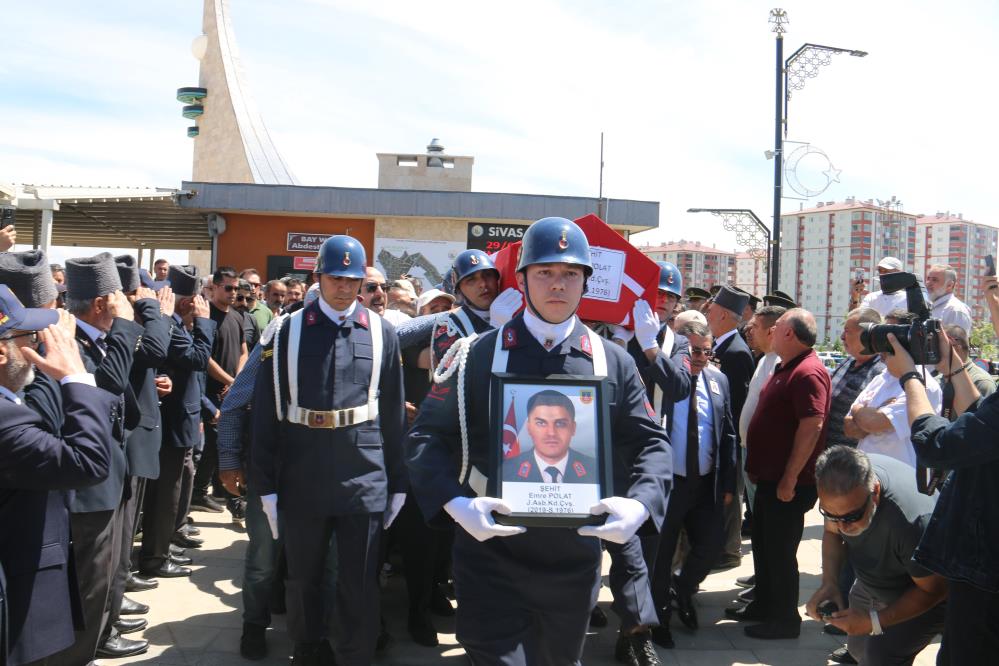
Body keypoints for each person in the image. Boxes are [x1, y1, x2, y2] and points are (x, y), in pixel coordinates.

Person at [405, 216, 671, 666]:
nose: (558, 284)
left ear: (586, 281)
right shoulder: (476, 355)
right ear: (522, 278)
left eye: (571, 273)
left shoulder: (613, 362)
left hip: (572, 558)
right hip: (490, 552)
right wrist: (456, 504)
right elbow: (426, 436)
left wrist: (641, 505)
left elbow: (652, 444)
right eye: (545, 271)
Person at [251, 235, 406, 665]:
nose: (344, 286)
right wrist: (265, 484)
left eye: (352, 280)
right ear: (318, 277)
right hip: (304, 468)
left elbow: (393, 413)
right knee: (304, 576)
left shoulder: (382, 332)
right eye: (335, 277)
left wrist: (398, 481)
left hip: (364, 470)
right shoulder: (287, 331)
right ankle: (308, 647)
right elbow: (266, 411)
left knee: (360, 579)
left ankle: (356, 653)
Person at [0, 286, 119, 666]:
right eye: (30, 337)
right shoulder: (5, 419)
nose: (41, 343)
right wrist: (76, 378)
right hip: (15, 607)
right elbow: (87, 462)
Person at [884, 299, 999, 664]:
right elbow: (981, 421)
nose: (993, 308)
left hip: (986, 570)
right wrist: (951, 364)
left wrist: (910, 378)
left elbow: (937, 445)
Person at [54, 252, 146, 662]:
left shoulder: (97, 338)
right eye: (117, 298)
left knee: (105, 576)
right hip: (89, 487)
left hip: (110, 473)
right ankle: (80, 655)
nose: (124, 304)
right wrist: (125, 327)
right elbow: (106, 389)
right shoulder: (73, 341)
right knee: (89, 582)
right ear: (99, 303)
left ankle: (98, 640)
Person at [610, 261, 690, 661]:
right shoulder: (612, 334)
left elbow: (680, 387)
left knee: (644, 551)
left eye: (669, 297)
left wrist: (650, 347)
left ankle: (633, 633)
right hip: (607, 455)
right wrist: (618, 341)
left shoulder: (679, 342)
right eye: (657, 294)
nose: (661, 302)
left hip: (648, 458)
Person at [735, 308, 830, 639]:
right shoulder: (785, 366)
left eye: (776, 327)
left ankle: (785, 620)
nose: (770, 331)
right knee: (764, 546)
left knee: (780, 552)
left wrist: (790, 477)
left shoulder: (808, 372)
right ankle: (764, 605)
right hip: (768, 479)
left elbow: (812, 425)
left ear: (789, 333)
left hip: (787, 483)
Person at [97, 255, 175, 658]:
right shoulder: (122, 325)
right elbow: (156, 348)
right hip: (119, 443)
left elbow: (147, 361)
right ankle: (105, 617)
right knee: (113, 540)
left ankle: (115, 600)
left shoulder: (125, 327)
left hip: (135, 433)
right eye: (135, 293)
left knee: (124, 533)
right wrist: (156, 311)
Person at [806, 447, 947, 665]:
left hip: (922, 591)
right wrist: (830, 583)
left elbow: (935, 590)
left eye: (852, 516)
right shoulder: (841, 486)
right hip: (874, 582)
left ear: (876, 492)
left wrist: (875, 622)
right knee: (858, 649)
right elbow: (832, 533)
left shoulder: (911, 522)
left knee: (880, 656)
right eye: (830, 514)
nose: (842, 526)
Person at [650, 320, 736, 649]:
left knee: (712, 544)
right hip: (669, 483)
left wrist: (728, 483)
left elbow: (728, 433)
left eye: (705, 351)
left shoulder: (719, 381)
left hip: (705, 484)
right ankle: (659, 619)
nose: (699, 357)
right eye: (693, 351)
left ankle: (683, 589)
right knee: (661, 554)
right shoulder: (665, 381)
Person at [138, 265, 216, 578]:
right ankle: (155, 557)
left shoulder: (176, 325)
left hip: (183, 418)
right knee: (165, 495)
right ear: (187, 303)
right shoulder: (170, 325)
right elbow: (198, 359)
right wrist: (205, 322)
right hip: (172, 422)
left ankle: (163, 547)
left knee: (174, 491)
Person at [706, 285, 755, 569]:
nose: (707, 312)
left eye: (712, 308)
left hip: (729, 436)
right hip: (718, 435)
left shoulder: (736, 352)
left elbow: (737, 403)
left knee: (729, 495)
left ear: (723, 314)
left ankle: (729, 552)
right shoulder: (721, 345)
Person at [194, 266, 248, 514]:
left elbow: (244, 350)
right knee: (214, 444)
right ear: (214, 287)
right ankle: (201, 493)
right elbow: (204, 357)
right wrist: (230, 381)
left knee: (228, 443)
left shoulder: (237, 317)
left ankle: (227, 496)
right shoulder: (206, 316)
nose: (233, 292)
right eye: (228, 288)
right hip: (210, 392)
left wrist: (237, 381)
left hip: (232, 392)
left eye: (236, 288)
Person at [846, 333, 942, 469]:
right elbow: (848, 427)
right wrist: (872, 413)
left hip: (899, 475)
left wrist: (858, 410)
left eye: (885, 336)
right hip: (866, 472)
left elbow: (873, 422)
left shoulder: (923, 386)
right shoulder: (881, 378)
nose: (878, 344)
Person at [737, 305, 786, 537]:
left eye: (755, 327)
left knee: (768, 523)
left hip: (764, 457)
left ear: (771, 331)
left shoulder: (780, 363)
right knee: (758, 515)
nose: (749, 331)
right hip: (750, 450)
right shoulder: (765, 359)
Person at [502, 390, 598, 482]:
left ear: (573, 428)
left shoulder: (595, 469)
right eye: (541, 423)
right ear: (529, 428)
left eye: (560, 423)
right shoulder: (506, 470)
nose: (551, 433)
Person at [938, 323, 995, 408]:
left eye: (939, 346)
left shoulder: (981, 382)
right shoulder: (937, 380)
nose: (933, 352)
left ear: (955, 348)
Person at [925, 264, 972, 334]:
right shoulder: (928, 306)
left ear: (949, 285)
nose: (928, 283)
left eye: (935, 280)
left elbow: (957, 340)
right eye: (928, 279)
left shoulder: (956, 310)